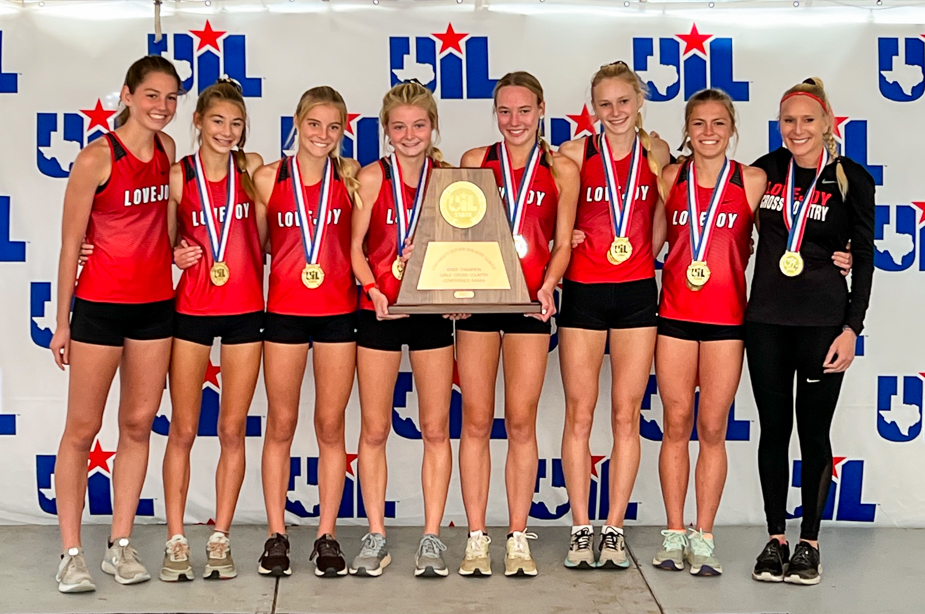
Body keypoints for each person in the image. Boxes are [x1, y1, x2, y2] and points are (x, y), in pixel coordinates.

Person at [50, 56, 180, 593]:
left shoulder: (170, 152)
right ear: (126, 94)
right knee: (81, 431)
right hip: (100, 308)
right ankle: (71, 552)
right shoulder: (96, 158)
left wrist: (182, 252)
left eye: (171, 98)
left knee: (137, 425)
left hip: (155, 307)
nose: (162, 107)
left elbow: (166, 226)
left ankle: (119, 546)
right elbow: (67, 246)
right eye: (152, 95)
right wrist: (62, 323)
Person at [747, 78, 875, 586]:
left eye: (807, 120)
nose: (797, 130)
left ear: (827, 123)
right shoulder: (765, 170)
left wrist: (852, 328)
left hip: (823, 322)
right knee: (773, 431)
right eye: (788, 121)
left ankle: (810, 543)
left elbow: (863, 258)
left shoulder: (850, 178)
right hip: (765, 322)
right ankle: (775, 538)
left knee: (813, 433)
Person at [457, 71, 579, 577]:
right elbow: (455, 233)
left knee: (522, 421)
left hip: (531, 305)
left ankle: (517, 535)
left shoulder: (563, 168)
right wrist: (451, 286)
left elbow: (565, 240)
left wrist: (548, 286)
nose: (514, 121)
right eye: (504, 111)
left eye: (524, 111)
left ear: (541, 109)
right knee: (477, 422)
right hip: (479, 306)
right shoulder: (472, 161)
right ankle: (477, 536)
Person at [557, 61, 669, 570]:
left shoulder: (657, 152)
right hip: (583, 292)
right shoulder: (575, 153)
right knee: (579, 414)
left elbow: (666, 220)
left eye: (624, 101)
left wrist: (645, 252)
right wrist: (569, 239)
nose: (615, 111)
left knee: (626, 416)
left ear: (639, 101)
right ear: (593, 107)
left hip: (638, 295)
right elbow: (551, 218)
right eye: (605, 103)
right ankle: (582, 527)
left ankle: (615, 528)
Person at [651, 89, 766, 577]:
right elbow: (646, 238)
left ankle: (704, 534)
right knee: (676, 425)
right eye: (698, 124)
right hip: (675, 316)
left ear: (732, 128)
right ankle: (675, 531)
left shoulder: (754, 180)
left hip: (726, 322)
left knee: (712, 429)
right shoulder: (670, 177)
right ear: (687, 129)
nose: (709, 133)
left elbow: (792, 229)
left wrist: (839, 253)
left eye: (718, 123)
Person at [157, 78, 264, 583]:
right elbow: (160, 241)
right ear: (197, 121)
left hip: (246, 310)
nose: (227, 131)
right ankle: (177, 538)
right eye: (217, 121)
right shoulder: (178, 176)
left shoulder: (254, 170)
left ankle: (220, 536)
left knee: (231, 429)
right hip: (193, 310)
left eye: (236, 123)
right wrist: (175, 255)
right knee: (181, 427)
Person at [349, 81, 455, 578]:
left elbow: (467, 251)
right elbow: (353, 248)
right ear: (385, 132)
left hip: (432, 314)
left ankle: (432, 537)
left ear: (432, 126)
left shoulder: (451, 180)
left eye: (418, 125)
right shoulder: (370, 178)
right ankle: (376, 533)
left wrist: (461, 293)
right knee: (374, 429)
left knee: (435, 429)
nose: (409, 135)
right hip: (382, 311)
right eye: (399, 127)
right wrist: (373, 289)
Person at [254, 86, 360, 578]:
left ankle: (327, 534)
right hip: (284, 313)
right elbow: (247, 244)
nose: (323, 135)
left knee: (331, 426)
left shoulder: (352, 176)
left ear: (344, 130)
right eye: (314, 124)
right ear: (297, 122)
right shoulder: (267, 178)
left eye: (333, 127)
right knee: (280, 423)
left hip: (339, 312)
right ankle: (277, 533)